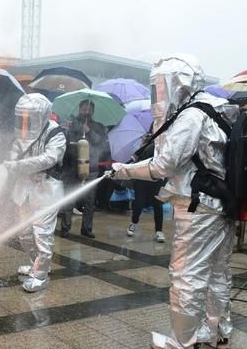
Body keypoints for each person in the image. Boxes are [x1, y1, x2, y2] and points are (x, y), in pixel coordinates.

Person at [110, 55, 236, 349]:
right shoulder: (215, 108)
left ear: (174, 85)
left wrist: (123, 170)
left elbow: (163, 165)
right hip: (220, 205)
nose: (157, 96)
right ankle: (218, 330)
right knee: (218, 272)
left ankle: (182, 340)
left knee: (186, 275)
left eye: (159, 88)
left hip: (198, 208)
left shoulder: (191, 115)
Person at [3, 93, 66, 292]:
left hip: (46, 190)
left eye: (28, 118)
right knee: (24, 233)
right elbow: (14, 150)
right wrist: (10, 162)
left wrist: (20, 165)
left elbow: (50, 158)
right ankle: (35, 265)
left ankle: (40, 276)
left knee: (42, 234)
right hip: (23, 189)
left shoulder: (55, 133)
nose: (24, 122)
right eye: (21, 118)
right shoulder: (22, 133)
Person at [59, 99, 107, 238]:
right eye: (84, 109)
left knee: (90, 201)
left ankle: (86, 228)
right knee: (69, 199)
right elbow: (64, 141)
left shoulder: (98, 126)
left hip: (90, 168)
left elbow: (100, 142)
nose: (86, 111)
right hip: (72, 167)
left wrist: (89, 131)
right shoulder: (70, 124)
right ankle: (65, 228)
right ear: (79, 109)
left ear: (93, 111)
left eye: (89, 109)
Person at [126, 140, 166, 243]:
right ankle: (133, 223)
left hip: (156, 179)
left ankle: (159, 231)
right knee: (139, 203)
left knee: (157, 204)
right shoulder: (144, 146)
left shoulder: (165, 146)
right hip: (142, 178)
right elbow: (135, 160)